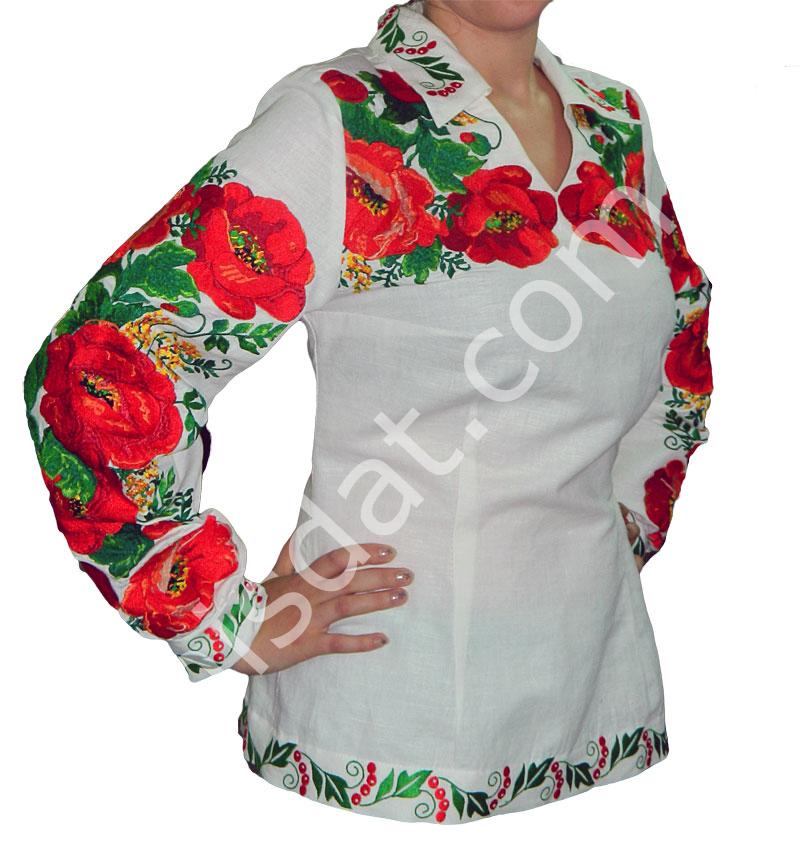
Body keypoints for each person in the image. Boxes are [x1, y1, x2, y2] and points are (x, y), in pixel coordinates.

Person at [22, 0, 713, 824]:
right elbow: (103, 365)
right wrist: (219, 614)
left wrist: (625, 529)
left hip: (605, 708)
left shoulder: (615, 120)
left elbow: (678, 340)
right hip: (387, 738)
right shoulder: (343, 121)